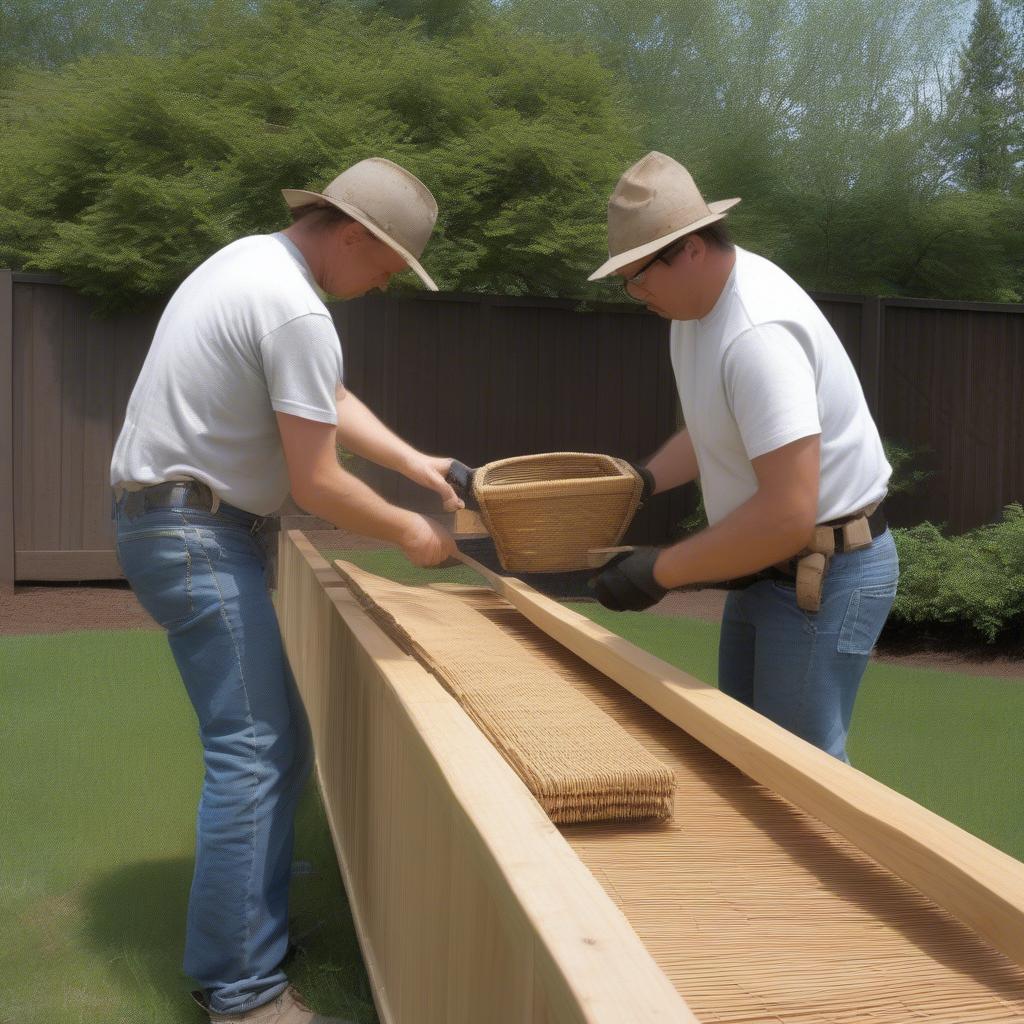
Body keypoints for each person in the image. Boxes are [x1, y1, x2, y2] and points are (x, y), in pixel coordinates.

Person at [111, 157, 461, 1023]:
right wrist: (412, 528)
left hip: (177, 524)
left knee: (275, 742)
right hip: (198, 536)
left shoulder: (250, 262)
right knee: (257, 752)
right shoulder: (297, 305)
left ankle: (249, 931)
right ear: (353, 235)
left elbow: (325, 396)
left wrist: (416, 462)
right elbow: (317, 484)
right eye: (382, 270)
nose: (377, 288)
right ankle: (241, 988)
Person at [587, 151, 898, 764]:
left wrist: (659, 572)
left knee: (799, 777)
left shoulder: (758, 335)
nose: (634, 290)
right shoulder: (692, 311)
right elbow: (715, 432)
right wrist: (641, 482)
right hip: (768, 568)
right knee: (741, 757)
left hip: (825, 571)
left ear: (693, 248)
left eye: (639, 272)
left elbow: (787, 514)